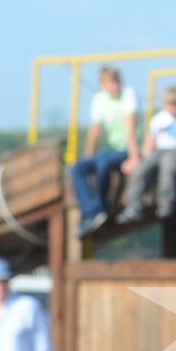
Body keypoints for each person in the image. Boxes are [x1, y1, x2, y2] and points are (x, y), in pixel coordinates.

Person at [119, 86, 176, 225]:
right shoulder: (159, 119)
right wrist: (141, 159)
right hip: (159, 150)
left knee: (168, 167)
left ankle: (166, 202)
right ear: (164, 105)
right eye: (170, 105)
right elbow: (150, 142)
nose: (173, 109)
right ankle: (133, 206)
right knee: (140, 169)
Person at [72, 66, 138, 236]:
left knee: (103, 163)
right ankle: (90, 211)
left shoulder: (128, 95)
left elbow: (130, 128)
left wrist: (134, 158)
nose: (114, 86)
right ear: (102, 85)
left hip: (127, 148)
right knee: (78, 168)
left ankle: (99, 209)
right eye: (110, 83)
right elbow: (95, 130)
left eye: (116, 82)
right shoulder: (99, 99)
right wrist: (89, 155)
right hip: (110, 150)